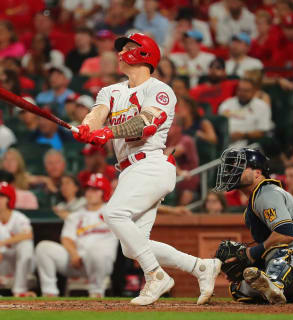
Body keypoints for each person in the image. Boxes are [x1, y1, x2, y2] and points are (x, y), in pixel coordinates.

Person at [72, 33, 222, 306]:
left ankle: (155, 275)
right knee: (132, 247)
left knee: (114, 213)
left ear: (145, 54)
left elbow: (145, 124)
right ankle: (201, 267)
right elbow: (97, 114)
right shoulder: (111, 91)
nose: (121, 53)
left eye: (128, 48)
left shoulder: (160, 90)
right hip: (129, 170)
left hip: (152, 163)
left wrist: (106, 132)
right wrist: (86, 128)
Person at [214, 148, 293, 304]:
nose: (232, 170)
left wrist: (250, 253)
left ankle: (276, 286)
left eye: (240, 166)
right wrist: (247, 263)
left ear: (257, 173)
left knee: (279, 257)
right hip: (292, 261)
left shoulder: (267, 193)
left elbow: (286, 234)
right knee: (240, 289)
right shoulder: (254, 204)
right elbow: (268, 247)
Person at [36, 173, 118, 297]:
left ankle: (96, 292)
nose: (90, 193)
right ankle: (49, 292)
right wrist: (74, 253)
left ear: (104, 192)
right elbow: (66, 238)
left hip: (100, 263)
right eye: (89, 189)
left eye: (95, 190)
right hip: (77, 261)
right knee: (43, 248)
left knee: (97, 252)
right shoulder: (76, 215)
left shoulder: (113, 213)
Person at [218, 78, 272, 144]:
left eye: (246, 91)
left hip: (250, 142)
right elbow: (219, 126)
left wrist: (243, 135)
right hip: (225, 141)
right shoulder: (227, 104)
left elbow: (263, 131)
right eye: (239, 90)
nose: (242, 93)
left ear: (254, 92)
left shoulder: (262, 106)